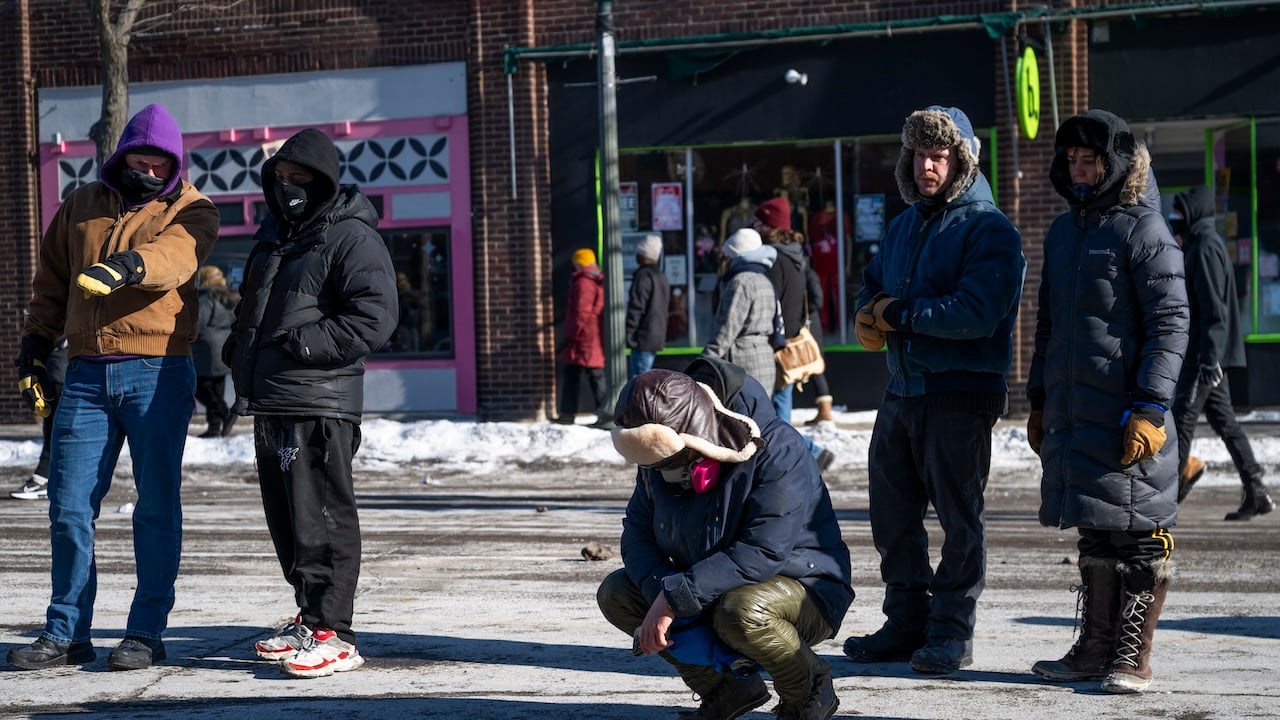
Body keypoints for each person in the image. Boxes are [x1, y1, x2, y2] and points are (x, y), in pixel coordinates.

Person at [9, 103, 219, 671]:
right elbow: (51, 280)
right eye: (138, 162)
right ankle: (66, 631)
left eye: (159, 166)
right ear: (120, 157)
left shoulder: (193, 208)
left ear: (173, 167)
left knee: (155, 507)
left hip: (158, 371)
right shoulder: (81, 204)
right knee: (68, 505)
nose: (147, 173)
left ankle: (146, 632)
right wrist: (33, 346)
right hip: (85, 373)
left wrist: (127, 267)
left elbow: (175, 258)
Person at [843, 106, 1026, 675]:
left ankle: (951, 630)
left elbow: (980, 312)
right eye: (920, 154)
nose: (927, 165)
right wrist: (864, 315)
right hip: (903, 388)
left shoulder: (989, 228)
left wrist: (903, 315)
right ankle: (907, 620)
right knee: (891, 514)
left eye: (939, 156)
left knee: (958, 518)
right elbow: (873, 286)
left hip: (960, 390)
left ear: (961, 160)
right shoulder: (903, 226)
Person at [223, 128, 397, 678]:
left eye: (301, 180)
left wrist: (303, 344)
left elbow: (374, 314)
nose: (289, 188)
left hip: (319, 400)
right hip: (273, 400)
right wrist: (238, 349)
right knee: (289, 520)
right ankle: (310, 615)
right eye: (281, 178)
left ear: (324, 184)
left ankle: (336, 631)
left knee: (321, 514)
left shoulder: (350, 236)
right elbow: (255, 310)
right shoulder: (275, 237)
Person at [1026, 109, 1188, 694]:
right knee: (1095, 529)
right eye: (1071, 160)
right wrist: (1039, 400)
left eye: (1090, 161)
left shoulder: (1145, 230)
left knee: (1140, 530)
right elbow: (1048, 324)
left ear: (1116, 164)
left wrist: (1151, 407)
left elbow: (1171, 324)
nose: (1078, 171)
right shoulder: (1065, 230)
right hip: (1076, 409)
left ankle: (1132, 654)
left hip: (1126, 410)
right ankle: (1094, 646)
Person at [598, 358, 852, 720]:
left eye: (669, 464)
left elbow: (762, 551)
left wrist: (674, 600)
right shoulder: (658, 450)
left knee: (742, 612)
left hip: (803, 585)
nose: (660, 476)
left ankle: (808, 690)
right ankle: (728, 689)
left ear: (694, 434)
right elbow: (636, 533)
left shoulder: (776, 450)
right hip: (709, 585)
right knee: (619, 593)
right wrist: (661, 592)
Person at [1168, 185, 1274, 520]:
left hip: (1204, 356)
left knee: (1183, 417)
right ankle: (1256, 490)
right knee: (1223, 420)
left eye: (1180, 214)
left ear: (1194, 214)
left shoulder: (1203, 247)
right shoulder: (1201, 244)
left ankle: (1167, 496)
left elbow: (1214, 309)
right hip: (1208, 353)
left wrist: (1209, 357)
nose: (1175, 220)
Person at [754, 197, 835, 472]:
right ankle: (801, 455)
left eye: (759, 221)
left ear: (771, 226)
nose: (754, 226)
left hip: (774, 345)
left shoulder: (774, 259)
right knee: (778, 410)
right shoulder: (796, 255)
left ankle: (808, 452)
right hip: (787, 342)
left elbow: (770, 301)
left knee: (772, 416)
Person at [701, 229, 777, 393]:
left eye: (724, 257)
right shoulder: (764, 280)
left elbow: (726, 329)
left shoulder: (740, 282)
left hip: (743, 363)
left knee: (741, 417)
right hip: (764, 359)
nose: (721, 263)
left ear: (733, 257)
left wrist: (703, 363)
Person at [11, 337, 67, 500]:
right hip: (56, 372)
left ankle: (45, 478)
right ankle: (47, 478)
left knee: (56, 431)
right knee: (53, 429)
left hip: (60, 374)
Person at [556, 248, 607, 426]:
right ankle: (603, 412)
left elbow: (580, 313)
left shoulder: (583, 283)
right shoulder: (595, 280)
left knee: (588, 376)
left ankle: (569, 414)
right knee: (588, 375)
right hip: (590, 336)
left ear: (580, 262)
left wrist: (569, 336)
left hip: (583, 338)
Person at [192, 265, 239, 438]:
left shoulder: (206, 298)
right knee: (217, 387)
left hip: (207, 350)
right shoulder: (231, 297)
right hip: (225, 348)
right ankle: (214, 428)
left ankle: (224, 413)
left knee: (199, 386)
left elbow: (198, 324)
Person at [625, 234, 670, 379]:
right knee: (645, 380)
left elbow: (637, 308)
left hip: (642, 338)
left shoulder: (643, 276)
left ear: (643, 256)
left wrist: (629, 335)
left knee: (638, 382)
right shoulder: (661, 276)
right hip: (655, 337)